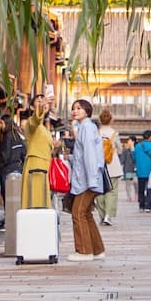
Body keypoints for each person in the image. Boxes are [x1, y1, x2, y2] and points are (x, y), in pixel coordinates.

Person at [66, 99, 108, 261]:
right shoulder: (85, 127)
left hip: (87, 180)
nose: (75, 111)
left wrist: (91, 180)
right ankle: (97, 249)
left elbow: (90, 155)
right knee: (86, 214)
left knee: (78, 212)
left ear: (87, 111)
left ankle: (84, 251)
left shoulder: (87, 127)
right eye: (73, 108)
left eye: (79, 108)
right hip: (87, 178)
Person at [21, 95, 56, 211]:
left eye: (44, 101)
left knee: (42, 201)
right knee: (36, 201)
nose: (43, 103)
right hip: (36, 164)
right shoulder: (31, 123)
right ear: (32, 107)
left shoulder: (43, 128)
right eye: (39, 101)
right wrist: (40, 107)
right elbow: (35, 119)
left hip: (44, 164)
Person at [97, 110, 123, 226]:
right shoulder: (114, 133)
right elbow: (120, 149)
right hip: (112, 166)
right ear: (111, 119)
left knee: (99, 192)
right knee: (112, 191)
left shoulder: (96, 133)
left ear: (100, 120)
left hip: (99, 166)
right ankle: (108, 215)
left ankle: (102, 215)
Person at [135, 131, 151, 212]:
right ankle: (148, 206)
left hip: (140, 170)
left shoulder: (137, 146)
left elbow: (134, 158)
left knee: (141, 189)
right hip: (150, 170)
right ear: (150, 137)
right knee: (150, 188)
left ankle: (141, 206)